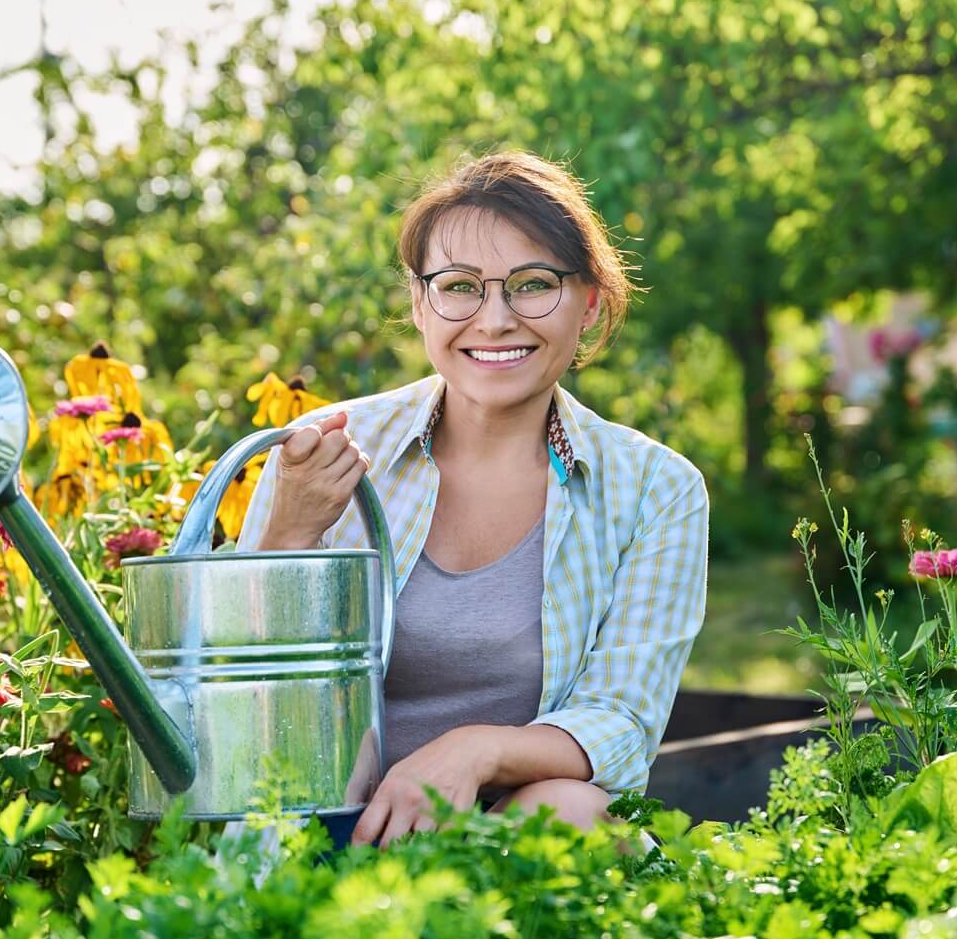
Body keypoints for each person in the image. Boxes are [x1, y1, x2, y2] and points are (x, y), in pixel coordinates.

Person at [236, 151, 709, 848]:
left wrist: (471, 750)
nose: (494, 320)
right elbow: (235, 689)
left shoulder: (655, 490)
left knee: (572, 810)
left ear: (588, 302)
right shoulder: (328, 448)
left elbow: (622, 721)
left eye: (532, 284)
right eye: (459, 286)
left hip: (506, 841)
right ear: (418, 301)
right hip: (323, 825)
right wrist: (289, 533)